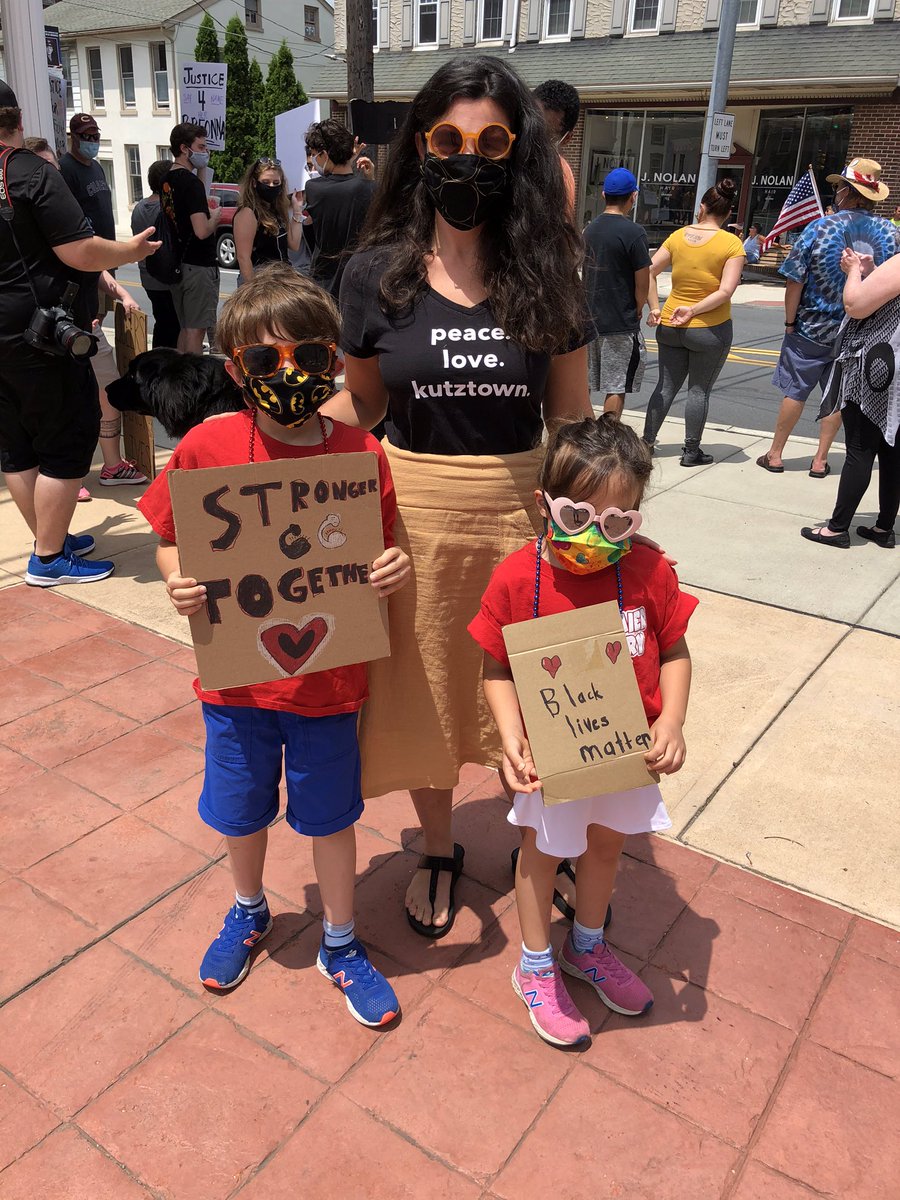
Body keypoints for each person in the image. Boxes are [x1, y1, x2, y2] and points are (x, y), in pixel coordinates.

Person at [326, 55, 592, 936]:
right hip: (413, 520)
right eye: (447, 138)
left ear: (516, 154)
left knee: (544, 691)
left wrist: (605, 528)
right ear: (419, 147)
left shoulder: (549, 271)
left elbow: (572, 418)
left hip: (526, 517)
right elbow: (362, 402)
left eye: (490, 140)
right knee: (427, 695)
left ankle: (539, 844)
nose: (465, 156)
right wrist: (258, 452)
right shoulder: (373, 275)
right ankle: (437, 845)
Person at [137, 265, 411, 1018]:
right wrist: (176, 578)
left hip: (327, 685)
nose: (289, 376)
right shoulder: (206, 445)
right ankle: (249, 907)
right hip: (235, 687)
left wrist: (392, 566)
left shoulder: (361, 452)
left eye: (311, 358)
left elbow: (385, 545)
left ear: (334, 360)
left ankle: (343, 939)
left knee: (332, 816)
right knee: (240, 811)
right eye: (265, 361)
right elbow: (169, 538)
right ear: (236, 369)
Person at [469, 416, 696, 1046]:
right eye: (577, 517)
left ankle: (586, 947)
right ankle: (536, 965)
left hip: (626, 753)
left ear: (638, 518)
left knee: (604, 848)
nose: (596, 536)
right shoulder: (519, 578)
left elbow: (675, 650)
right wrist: (511, 736)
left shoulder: (648, 572)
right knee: (540, 855)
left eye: (617, 523)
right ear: (545, 504)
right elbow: (497, 667)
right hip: (551, 757)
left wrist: (672, 720)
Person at [0, 81, 158, 586]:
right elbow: (79, 250)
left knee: (17, 445)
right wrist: (129, 251)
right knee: (65, 441)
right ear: (18, 120)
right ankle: (49, 558)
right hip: (40, 336)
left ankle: (49, 538)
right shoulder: (28, 173)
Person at [756, 158, 900, 478]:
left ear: (848, 191)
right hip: (860, 330)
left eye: (838, 187)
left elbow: (795, 280)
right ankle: (820, 460)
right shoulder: (891, 233)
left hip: (811, 326)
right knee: (836, 393)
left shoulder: (819, 227)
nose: (835, 192)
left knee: (796, 390)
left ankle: (776, 453)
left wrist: (790, 322)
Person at [58, 116, 146, 490]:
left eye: (96, 136)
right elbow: (80, 253)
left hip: (89, 295)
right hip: (71, 312)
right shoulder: (65, 172)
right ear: (71, 139)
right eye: (86, 137)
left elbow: (91, 261)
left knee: (96, 386)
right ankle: (72, 472)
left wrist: (120, 291)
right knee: (90, 388)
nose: (92, 142)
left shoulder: (93, 166)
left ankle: (87, 470)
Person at [801, 246, 900, 549]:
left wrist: (853, 272)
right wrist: (870, 272)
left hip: (878, 367)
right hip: (895, 368)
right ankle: (884, 528)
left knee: (860, 447)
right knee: (893, 451)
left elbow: (855, 304)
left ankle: (837, 528)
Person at [643, 178, 745, 465]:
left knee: (664, 386)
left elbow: (649, 271)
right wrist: (694, 310)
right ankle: (691, 451)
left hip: (670, 323)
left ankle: (647, 442)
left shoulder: (677, 236)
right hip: (709, 328)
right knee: (699, 391)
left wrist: (654, 307)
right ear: (727, 213)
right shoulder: (732, 244)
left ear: (702, 207)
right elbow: (726, 291)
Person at [583, 167, 650, 417]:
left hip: (588, 318)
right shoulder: (634, 233)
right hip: (620, 320)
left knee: (585, 383)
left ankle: (581, 434)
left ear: (603, 195)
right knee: (615, 385)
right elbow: (642, 280)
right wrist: (639, 307)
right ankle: (608, 437)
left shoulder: (589, 230)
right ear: (633, 196)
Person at [164, 122, 221, 354]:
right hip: (198, 265)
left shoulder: (167, 179)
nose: (205, 152)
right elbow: (201, 231)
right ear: (185, 148)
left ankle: (180, 377)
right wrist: (215, 217)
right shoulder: (191, 184)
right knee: (196, 331)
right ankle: (193, 382)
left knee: (185, 327)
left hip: (178, 263)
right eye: (201, 146)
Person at [304, 120, 376, 297]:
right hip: (358, 279)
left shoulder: (314, 188)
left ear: (324, 154)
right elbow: (350, 184)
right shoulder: (370, 188)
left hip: (324, 280)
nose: (314, 160)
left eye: (314, 155)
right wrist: (369, 178)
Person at [131, 160, 181, 350]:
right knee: (174, 325)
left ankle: (159, 358)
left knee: (162, 320)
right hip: (167, 274)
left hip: (147, 273)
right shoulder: (167, 207)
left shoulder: (139, 208)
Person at [233, 157, 305, 283]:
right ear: (254, 183)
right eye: (266, 182)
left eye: (276, 183)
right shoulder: (248, 213)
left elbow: (294, 244)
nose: (271, 186)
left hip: (281, 280)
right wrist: (254, 291)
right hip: (260, 282)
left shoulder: (276, 210)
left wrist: (297, 211)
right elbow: (243, 257)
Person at [533, 79, 579, 219]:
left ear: (566, 139)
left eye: (546, 136)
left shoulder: (560, 176)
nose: (533, 140)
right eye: (531, 127)